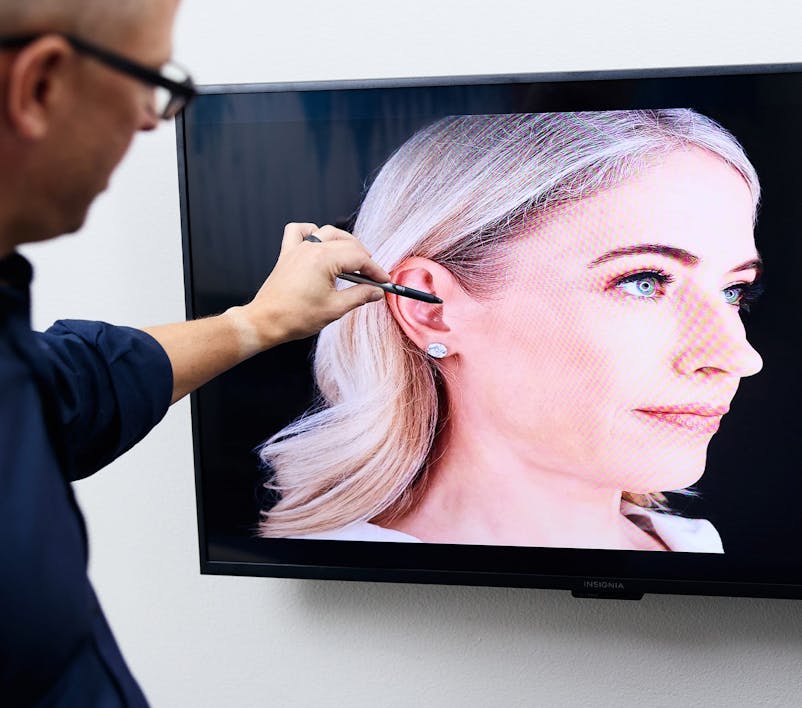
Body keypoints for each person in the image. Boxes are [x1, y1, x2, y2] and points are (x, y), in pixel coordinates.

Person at [0, 1, 389, 705]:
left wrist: (259, 322)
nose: (151, 119)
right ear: (40, 86)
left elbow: (79, 381)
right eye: (151, 80)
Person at [258, 110, 764, 553]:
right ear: (430, 307)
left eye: (733, 291)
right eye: (644, 281)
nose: (738, 357)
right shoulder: (320, 596)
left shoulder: (697, 550)